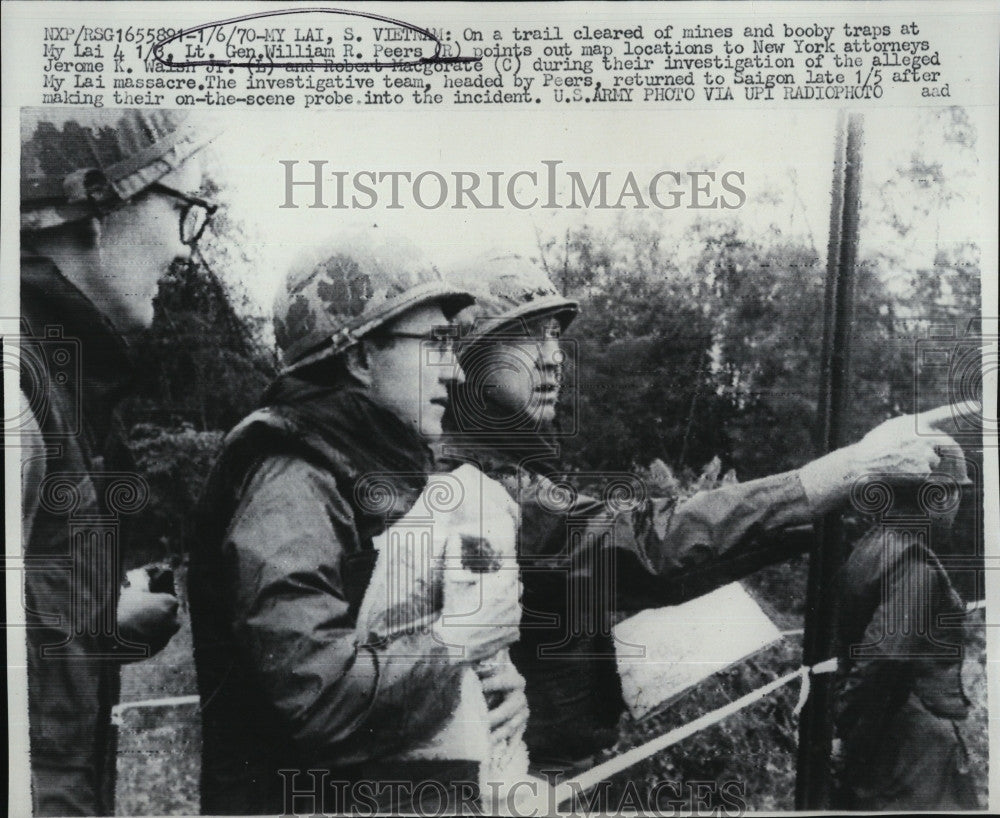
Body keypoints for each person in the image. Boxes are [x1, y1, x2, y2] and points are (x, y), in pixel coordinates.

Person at [438, 252, 956, 770]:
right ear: (467, 358)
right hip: (514, 775)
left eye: (555, 333)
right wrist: (848, 469)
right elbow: (648, 547)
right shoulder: (471, 487)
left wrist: (817, 518)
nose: (554, 356)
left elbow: (649, 560)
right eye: (530, 336)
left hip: (547, 767)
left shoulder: (509, 469)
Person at [188, 235, 529, 815]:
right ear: (359, 358)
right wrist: (458, 646)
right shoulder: (291, 484)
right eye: (437, 343)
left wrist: (484, 688)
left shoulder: (376, 471)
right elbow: (318, 698)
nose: (456, 371)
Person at [19, 108, 218, 816]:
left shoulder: (51, 378)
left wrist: (97, 626)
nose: (187, 250)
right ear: (101, 204)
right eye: (185, 210)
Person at [833, 444, 979, 810]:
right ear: (937, 496)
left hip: (886, 744)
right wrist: (848, 738)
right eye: (956, 492)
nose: (957, 507)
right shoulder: (915, 564)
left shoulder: (872, 546)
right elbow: (883, 660)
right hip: (911, 757)